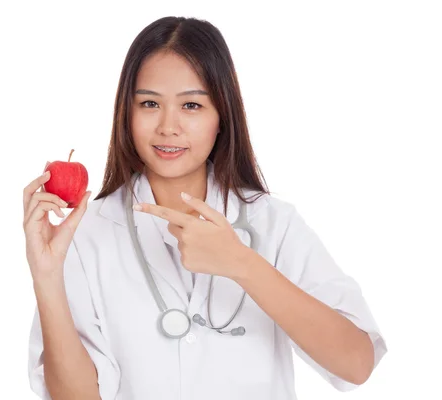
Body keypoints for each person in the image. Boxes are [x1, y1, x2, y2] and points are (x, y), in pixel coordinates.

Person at [22, 16, 387, 400]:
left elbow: (356, 365)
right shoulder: (85, 234)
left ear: (221, 117)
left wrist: (242, 264)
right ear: (125, 115)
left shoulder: (273, 224)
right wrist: (46, 276)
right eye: (149, 103)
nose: (168, 127)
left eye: (192, 105)